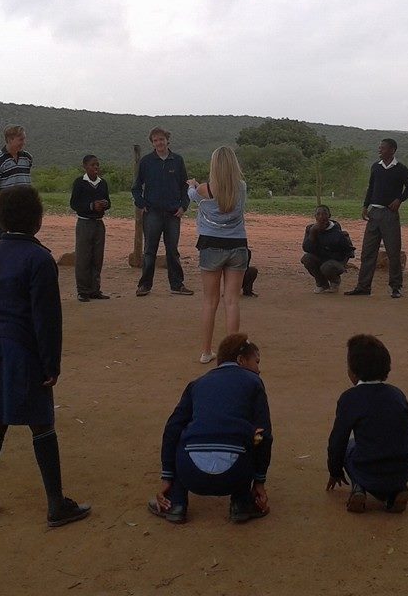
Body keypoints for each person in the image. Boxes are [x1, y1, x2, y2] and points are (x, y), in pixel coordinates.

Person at [0, 186, 90, 528]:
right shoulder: (40, 259)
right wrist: (51, 363)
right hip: (23, 348)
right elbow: (46, 317)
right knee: (42, 422)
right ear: (39, 221)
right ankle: (56, 504)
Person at [148, 333, 272, 525]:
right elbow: (265, 435)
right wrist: (259, 481)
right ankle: (241, 503)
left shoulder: (197, 384)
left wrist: (167, 477)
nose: (259, 369)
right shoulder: (254, 383)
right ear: (241, 360)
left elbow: (172, 429)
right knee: (252, 436)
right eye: (256, 362)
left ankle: (177, 502)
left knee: (186, 435)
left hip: (190, 472)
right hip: (235, 474)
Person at [326, 334, 408, 513]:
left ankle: (358, 487)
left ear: (353, 371)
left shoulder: (350, 398)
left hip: (368, 465)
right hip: (402, 466)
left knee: (350, 446)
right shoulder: (397, 395)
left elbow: (337, 440)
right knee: (382, 451)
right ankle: (399, 489)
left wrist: (335, 471)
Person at [187, 146, 248, 364]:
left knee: (209, 301)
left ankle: (206, 351)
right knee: (232, 301)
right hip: (238, 244)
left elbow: (192, 196)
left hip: (210, 245)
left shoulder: (205, 189)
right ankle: (233, 354)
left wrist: (192, 185)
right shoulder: (241, 187)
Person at [346, 139, 408, 298]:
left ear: (392, 150)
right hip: (374, 212)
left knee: (393, 251)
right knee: (368, 251)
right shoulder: (376, 167)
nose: (380, 150)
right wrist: (365, 205)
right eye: (380, 148)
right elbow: (371, 187)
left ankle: (396, 287)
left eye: (383, 148)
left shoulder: (400, 169)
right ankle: (363, 286)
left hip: (390, 214)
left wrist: (399, 200)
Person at [132, 127, 193, 297]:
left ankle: (177, 285)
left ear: (167, 140)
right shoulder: (146, 162)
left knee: (172, 250)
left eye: (161, 139)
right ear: (152, 143)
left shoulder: (177, 160)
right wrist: (141, 203)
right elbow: (136, 187)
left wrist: (183, 206)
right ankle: (144, 285)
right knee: (150, 250)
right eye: (155, 140)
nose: (159, 142)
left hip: (173, 213)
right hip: (152, 213)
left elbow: (184, 185)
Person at [69, 154, 111, 302]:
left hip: (99, 223)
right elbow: (74, 204)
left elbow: (109, 202)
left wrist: (105, 204)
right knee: (83, 257)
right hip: (84, 223)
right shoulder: (80, 183)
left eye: (97, 165)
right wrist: (91, 206)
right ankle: (82, 291)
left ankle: (95, 290)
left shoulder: (103, 183)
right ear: (85, 167)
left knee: (97, 257)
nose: (96, 167)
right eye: (92, 165)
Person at [0, 124, 33, 238]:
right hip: (6, 214)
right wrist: (7, 204)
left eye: (24, 139)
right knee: (6, 247)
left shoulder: (27, 158)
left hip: (25, 211)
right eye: (21, 139)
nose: (24, 142)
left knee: (25, 244)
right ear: (10, 139)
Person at [301, 205, 356, 293]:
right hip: (320, 258)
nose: (321, 217)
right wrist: (313, 234)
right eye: (318, 214)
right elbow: (307, 248)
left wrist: (341, 263)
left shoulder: (337, 231)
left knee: (327, 267)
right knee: (306, 259)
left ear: (329, 216)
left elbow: (348, 251)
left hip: (335, 261)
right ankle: (322, 284)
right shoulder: (310, 229)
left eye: (324, 214)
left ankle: (335, 281)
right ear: (315, 216)